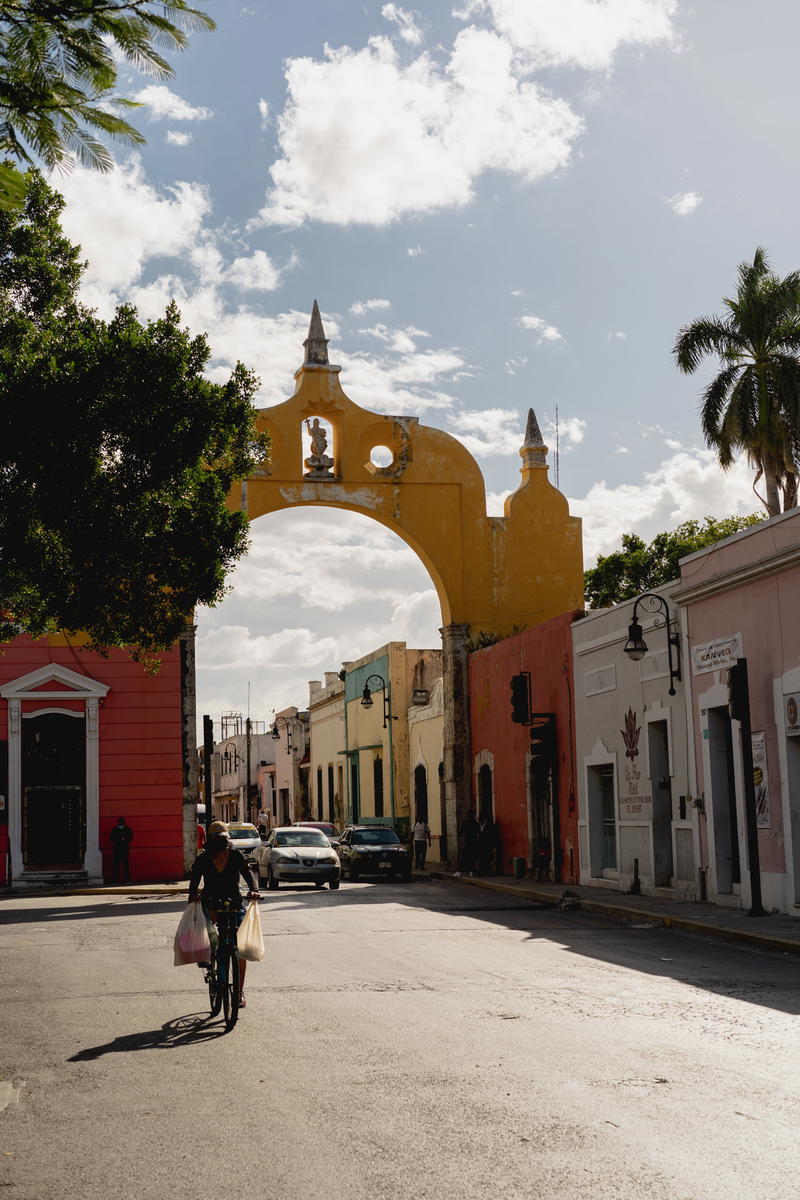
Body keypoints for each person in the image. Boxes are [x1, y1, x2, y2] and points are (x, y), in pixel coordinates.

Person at [188, 827, 259, 1008]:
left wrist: (254, 889)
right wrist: (193, 893)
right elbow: (195, 877)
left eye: (225, 851)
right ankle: (208, 956)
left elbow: (247, 873)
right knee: (208, 930)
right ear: (212, 850)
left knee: (240, 948)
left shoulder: (235, 856)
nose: (222, 855)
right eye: (219, 852)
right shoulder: (203, 859)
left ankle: (239, 991)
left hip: (233, 901)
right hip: (211, 900)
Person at [109, 817, 133, 883]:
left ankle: (115, 881)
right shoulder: (127, 829)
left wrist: (119, 839)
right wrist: (123, 839)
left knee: (116, 866)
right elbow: (131, 838)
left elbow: (111, 838)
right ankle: (126, 880)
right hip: (124, 849)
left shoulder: (115, 829)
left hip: (117, 849)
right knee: (125, 865)